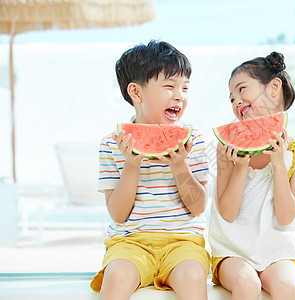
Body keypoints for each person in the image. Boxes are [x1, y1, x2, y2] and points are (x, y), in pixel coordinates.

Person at [90, 40, 210, 300]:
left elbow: (198, 207)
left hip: (184, 242)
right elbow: (118, 215)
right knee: (117, 277)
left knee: (193, 276)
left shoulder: (193, 139)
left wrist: (180, 165)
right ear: (136, 92)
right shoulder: (112, 144)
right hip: (129, 242)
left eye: (185, 88)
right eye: (169, 86)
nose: (180, 95)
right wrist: (131, 165)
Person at [208, 51, 295, 300]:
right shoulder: (226, 147)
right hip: (232, 251)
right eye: (231, 98)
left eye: (242, 89)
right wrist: (240, 166)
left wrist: (279, 164)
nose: (236, 101)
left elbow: (285, 217)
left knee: (287, 286)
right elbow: (227, 213)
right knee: (247, 284)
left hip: (279, 250)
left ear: (273, 87)